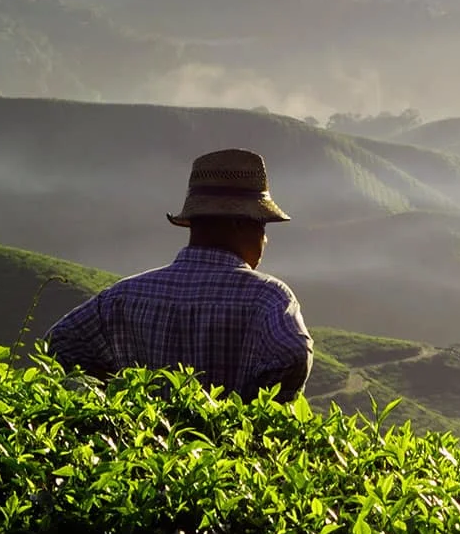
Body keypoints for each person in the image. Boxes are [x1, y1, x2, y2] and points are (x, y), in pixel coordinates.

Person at [44, 148, 314, 402]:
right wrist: (254, 410)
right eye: (262, 227)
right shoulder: (268, 298)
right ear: (240, 224)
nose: (265, 240)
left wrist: (113, 402)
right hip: (230, 448)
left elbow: (61, 342)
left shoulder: (122, 297)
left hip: (141, 447)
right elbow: (292, 353)